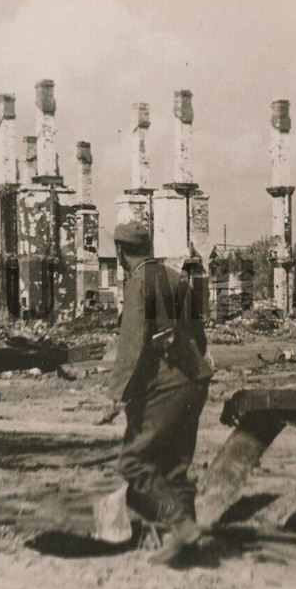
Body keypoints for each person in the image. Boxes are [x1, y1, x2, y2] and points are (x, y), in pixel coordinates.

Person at [98, 220, 213, 566]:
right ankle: (186, 543)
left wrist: (114, 396)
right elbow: (199, 335)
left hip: (168, 381)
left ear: (120, 252)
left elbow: (132, 347)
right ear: (148, 248)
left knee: (134, 462)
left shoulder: (139, 283)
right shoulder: (176, 277)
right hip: (195, 379)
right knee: (174, 467)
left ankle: (182, 526)